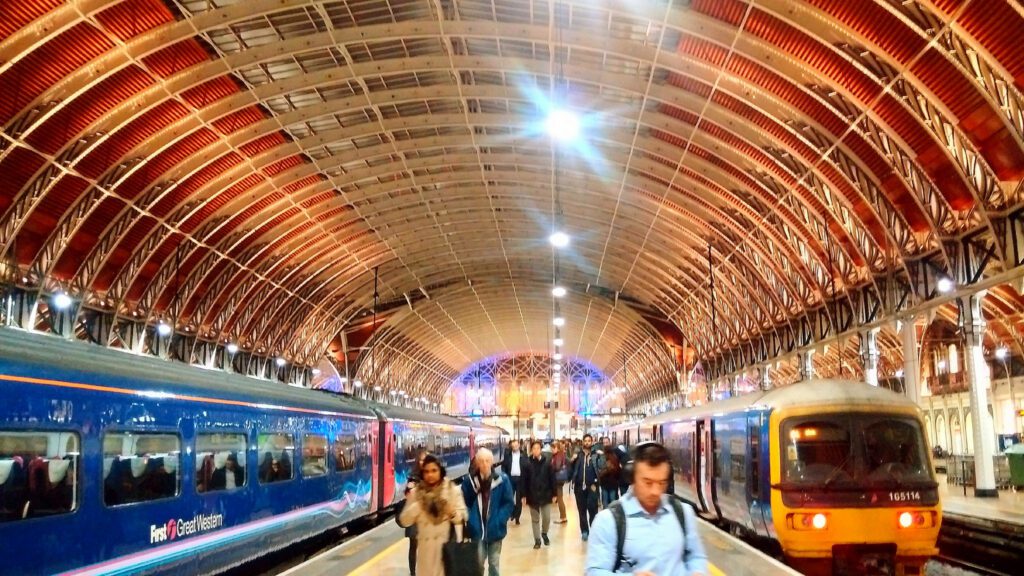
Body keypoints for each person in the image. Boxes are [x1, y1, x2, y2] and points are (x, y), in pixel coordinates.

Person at [585, 442, 707, 576]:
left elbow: (696, 556)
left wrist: (698, 571)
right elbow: (594, 571)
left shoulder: (683, 513)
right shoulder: (609, 521)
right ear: (632, 478)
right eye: (648, 482)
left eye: (662, 483)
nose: (655, 491)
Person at [399, 454, 467, 576]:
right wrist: (418, 506)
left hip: (446, 552)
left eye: (434, 470)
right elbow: (404, 520)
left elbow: (462, 517)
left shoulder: (452, 490)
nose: (430, 475)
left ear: (440, 471)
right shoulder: (416, 493)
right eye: (426, 471)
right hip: (425, 555)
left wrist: (452, 512)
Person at [462, 448, 514, 576]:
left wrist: (500, 519)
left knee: (494, 563)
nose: (484, 464)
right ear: (477, 463)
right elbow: (464, 503)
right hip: (477, 530)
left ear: (492, 462)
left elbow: (508, 503)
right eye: (481, 461)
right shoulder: (470, 482)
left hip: (496, 529)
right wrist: (470, 519)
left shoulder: (502, 480)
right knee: (478, 563)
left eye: (487, 461)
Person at [521, 440, 557, 548]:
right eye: (533, 449)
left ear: (541, 450)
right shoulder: (527, 464)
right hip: (532, 495)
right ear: (531, 450)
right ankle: (537, 540)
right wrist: (523, 495)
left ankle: (544, 533)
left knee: (546, 517)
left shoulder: (547, 462)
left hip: (546, 494)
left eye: (537, 448)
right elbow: (523, 480)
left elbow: (552, 479)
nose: (536, 450)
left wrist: (555, 494)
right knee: (535, 519)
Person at [570, 434, 604, 541]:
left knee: (593, 509)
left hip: (592, 486)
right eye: (585, 441)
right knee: (582, 510)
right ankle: (584, 531)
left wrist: (601, 456)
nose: (587, 442)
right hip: (579, 487)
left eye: (589, 441)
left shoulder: (596, 454)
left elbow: (602, 467)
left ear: (592, 442)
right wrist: (572, 460)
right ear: (583, 442)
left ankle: (594, 530)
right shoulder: (578, 455)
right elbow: (571, 469)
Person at [404, 450, 428, 576]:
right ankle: (412, 572)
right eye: (421, 460)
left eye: (425, 460)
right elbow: (407, 494)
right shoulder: (413, 476)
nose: (422, 462)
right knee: (413, 545)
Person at [500, 439, 524, 525]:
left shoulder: (523, 455)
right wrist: (505, 476)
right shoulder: (508, 455)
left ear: (519, 446)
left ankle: (517, 517)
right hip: (510, 479)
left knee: (518, 500)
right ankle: (512, 513)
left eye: (516, 446)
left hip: (520, 480)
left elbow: (527, 466)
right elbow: (504, 466)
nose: (514, 447)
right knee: (510, 498)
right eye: (513, 446)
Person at [550, 440, 569, 524]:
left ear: (556, 448)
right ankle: (563, 516)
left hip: (557, 479)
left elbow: (557, 467)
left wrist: (551, 468)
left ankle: (563, 516)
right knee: (560, 498)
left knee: (560, 498)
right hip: (560, 479)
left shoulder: (558, 456)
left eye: (552, 448)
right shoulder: (561, 454)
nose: (551, 450)